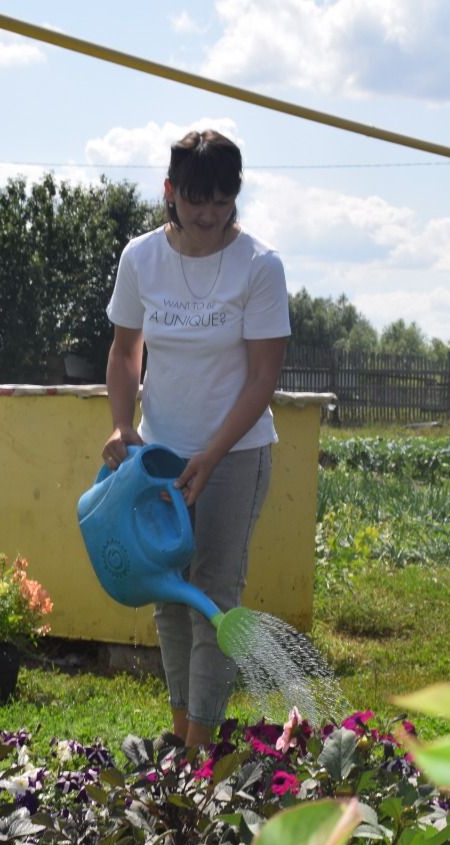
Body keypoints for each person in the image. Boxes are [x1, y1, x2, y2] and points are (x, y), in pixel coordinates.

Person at [101, 129, 291, 749]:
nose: (208, 215)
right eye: (194, 200)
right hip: (158, 455)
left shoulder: (259, 266)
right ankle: (181, 729)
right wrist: (122, 425)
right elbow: (126, 352)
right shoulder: (141, 259)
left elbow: (265, 376)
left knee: (213, 597)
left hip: (234, 455)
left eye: (221, 201)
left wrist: (211, 455)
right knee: (166, 593)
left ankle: (201, 750)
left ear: (236, 195)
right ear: (170, 192)